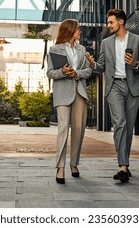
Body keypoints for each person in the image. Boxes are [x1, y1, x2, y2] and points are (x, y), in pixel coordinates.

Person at [85, 9, 139, 182]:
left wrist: (135, 63)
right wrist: (92, 64)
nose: (108, 25)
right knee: (119, 123)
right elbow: (101, 67)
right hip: (114, 86)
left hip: (133, 87)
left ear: (121, 22)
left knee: (128, 127)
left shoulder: (138, 40)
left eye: (111, 22)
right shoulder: (106, 43)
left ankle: (125, 165)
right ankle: (123, 166)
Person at [46, 19, 92, 184]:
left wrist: (76, 73)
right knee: (63, 128)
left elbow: (88, 70)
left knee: (79, 130)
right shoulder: (54, 49)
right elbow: (50, 73)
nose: (80, 31)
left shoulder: (82, 49)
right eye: (78, 29)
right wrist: (62, 72)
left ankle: (74, 163)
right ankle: (60, 167)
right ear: (70, 30)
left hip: (79, 91)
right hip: (63, 93)